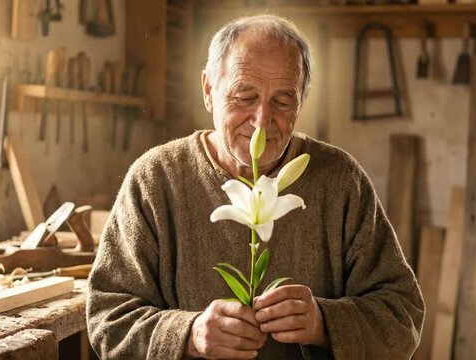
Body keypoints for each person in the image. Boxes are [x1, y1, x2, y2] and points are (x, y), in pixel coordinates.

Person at [87, 14, 424, 359]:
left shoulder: (340, 180)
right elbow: (107, 318)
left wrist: (324, 322)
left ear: (301, 102)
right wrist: (189, 335)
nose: (262, 120)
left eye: (282, 100)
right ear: (208, 91)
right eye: (244, 96)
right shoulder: (155, 178)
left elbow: (402, 315)